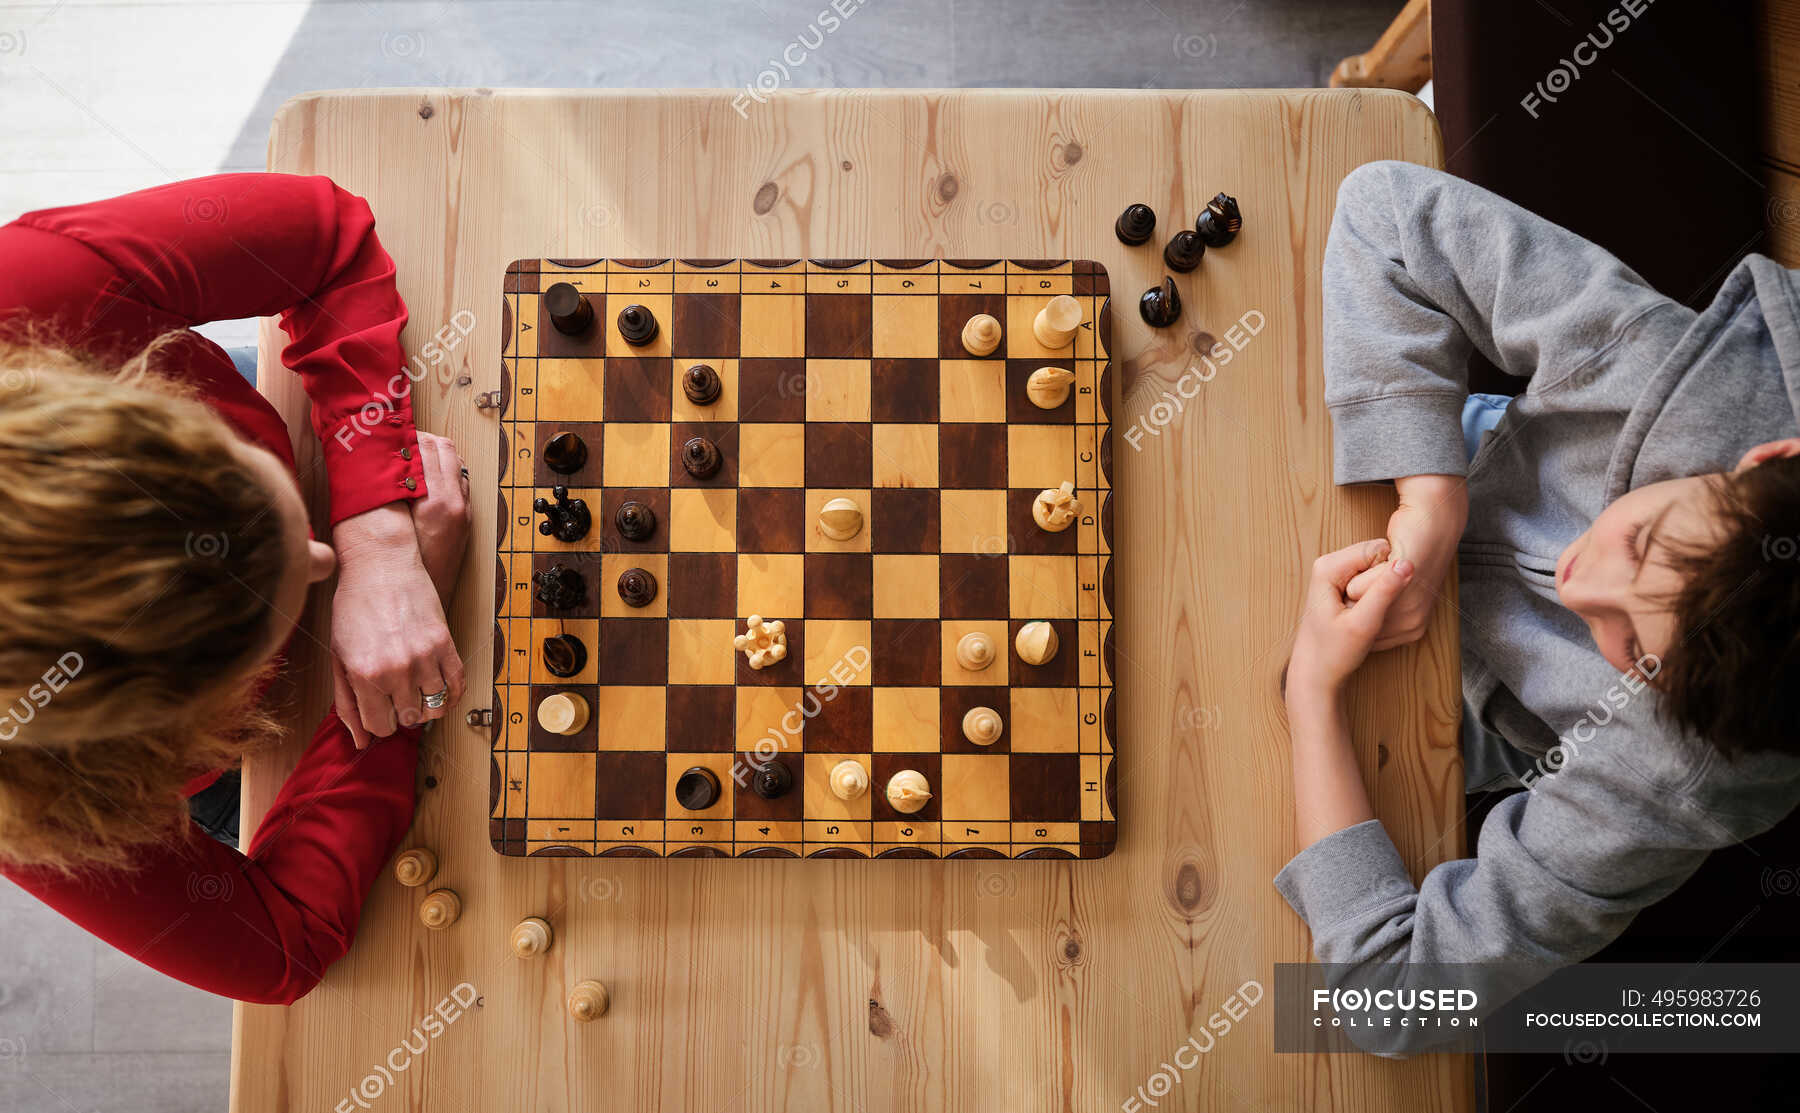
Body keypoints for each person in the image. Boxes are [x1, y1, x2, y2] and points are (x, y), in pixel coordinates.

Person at [1277, 160, 1800, 1047]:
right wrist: (1433, 499)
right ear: (1758, 462)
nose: (1576, 582)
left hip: (1459, 711)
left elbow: (1392, 1003)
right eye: (1638, 540)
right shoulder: (1675, 374)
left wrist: (1311, 701)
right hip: (1429, 463)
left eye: (1634, 650)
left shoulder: (1674, 778)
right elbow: (1384, 207)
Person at [0, 174, 470, 1004]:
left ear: (147, 405)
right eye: (276, 602)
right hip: (252, 754)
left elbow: (326, 240)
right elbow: (278, 948)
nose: (321, 562)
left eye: (244, 473)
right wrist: (389, 706)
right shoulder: (36, 792)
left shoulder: (30, 295)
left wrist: (378, 533)